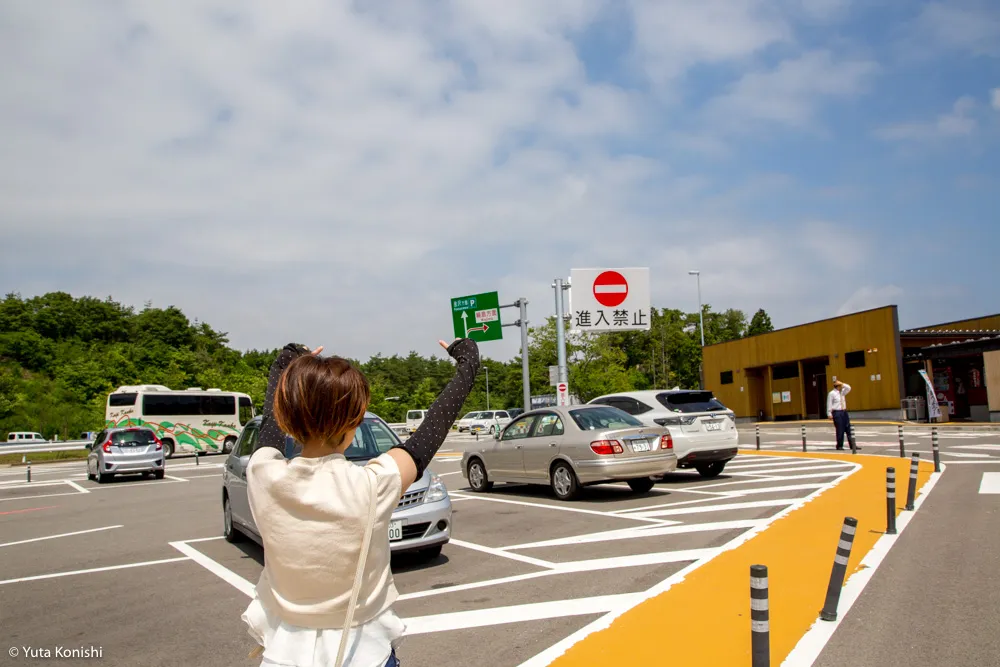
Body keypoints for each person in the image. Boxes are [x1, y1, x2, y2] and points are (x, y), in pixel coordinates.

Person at [241, 337, 481, 667]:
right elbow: (431, 431)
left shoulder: (263, 475)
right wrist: (468, 366)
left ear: (289, 420)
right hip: (362, 651)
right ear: (352, 424)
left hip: (284, 651)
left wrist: (285, 364)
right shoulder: (370, 484)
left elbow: (269, 425)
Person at [827, 379, 858, 451]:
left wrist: (842, 383)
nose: (842, 387)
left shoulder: (842, 392)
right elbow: (829, 404)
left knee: (848, 429)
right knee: (840, 429)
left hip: (844, 412)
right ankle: (839, 445)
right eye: (840, 386)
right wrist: (829, 413)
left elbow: (849, 387)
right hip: (837, 412)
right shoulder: (831, 393)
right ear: (837, 386)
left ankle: (852, 445)